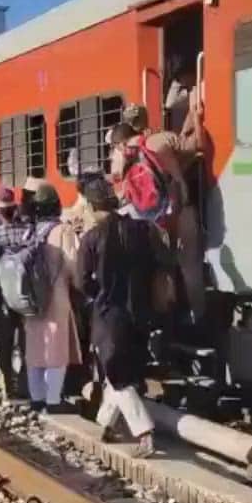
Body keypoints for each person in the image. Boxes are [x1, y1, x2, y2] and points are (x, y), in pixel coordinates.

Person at [77, 187, 160, 457]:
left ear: (91, 207)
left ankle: (144, 432)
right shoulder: (143, 230)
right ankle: (107, 424)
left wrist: (96, 295)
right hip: (140, 311)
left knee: (116, 373)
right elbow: (160, 264)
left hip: (109, 313)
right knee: (123, 369)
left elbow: (81, 281)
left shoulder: (91, 238)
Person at [108, 100, 206, 323]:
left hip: (151, 218)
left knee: (163, 267)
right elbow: (197, 146)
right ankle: (198, 319)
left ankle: (166, 319)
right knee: (190, 267)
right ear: (145, 117)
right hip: (180, 210)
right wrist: (197, 118)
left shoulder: (121, 155)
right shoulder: (161, 139)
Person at [23, 183, 82, 413]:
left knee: (35, 349)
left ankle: (36, 399)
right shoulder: (63, 231)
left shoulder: (30, 230)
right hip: (56, 295)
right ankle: (53, 400)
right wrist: (80, 287)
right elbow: (73, 265)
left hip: (30, 297)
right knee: (57, 350)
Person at [0, 187, 31, 400]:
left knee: (3, 344)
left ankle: (7, 388)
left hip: (1, 298)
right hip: (25, 297)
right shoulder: (27, 232)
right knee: (24, 343)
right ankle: (24, 384)